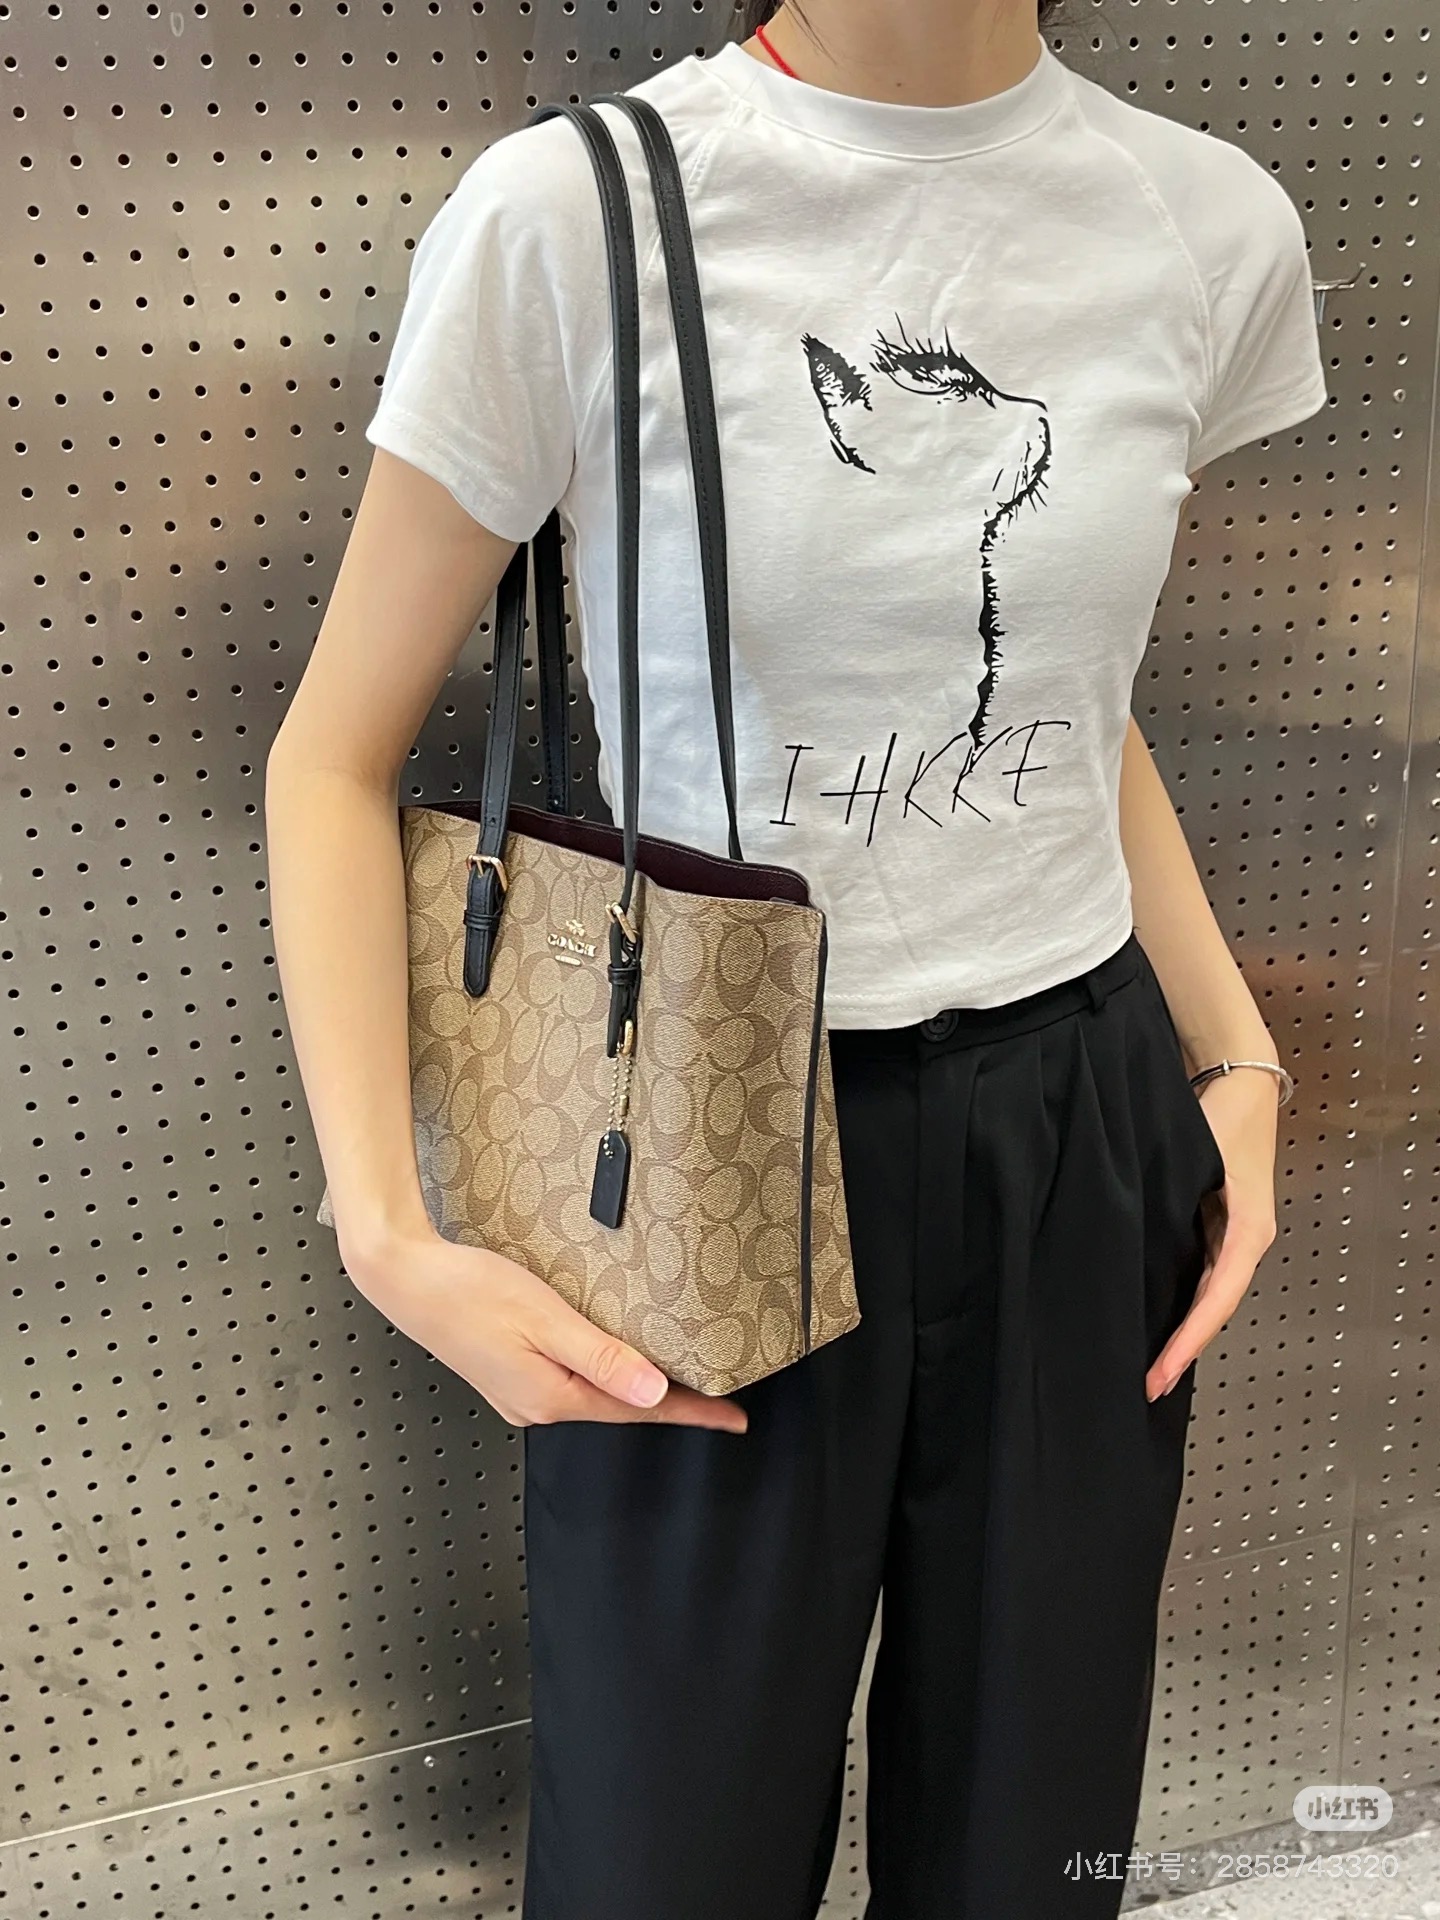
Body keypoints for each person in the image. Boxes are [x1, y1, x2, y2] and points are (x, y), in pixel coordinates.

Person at [264, 1, 1326, 1913]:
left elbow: (1071, 711)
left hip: (1078, 1128)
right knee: (668, 1860)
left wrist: (1232, 1054)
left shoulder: (1202, 222)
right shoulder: (577, 215)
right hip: (702, 1129)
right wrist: (386, 1231)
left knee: (1038, 1845)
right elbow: (330, 758)